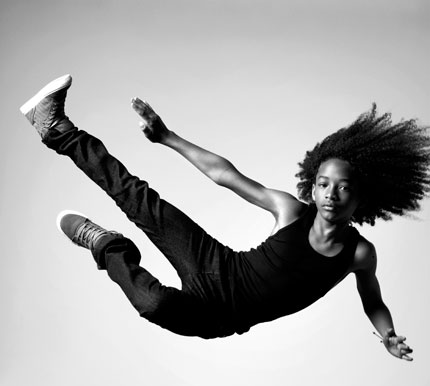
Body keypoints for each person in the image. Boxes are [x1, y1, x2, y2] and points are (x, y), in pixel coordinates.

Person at [20, 75, 429, 360]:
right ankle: (55, 128)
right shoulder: (291, 210)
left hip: (219, 317)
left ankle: (106, 244)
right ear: (314, 185)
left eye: (343, 188)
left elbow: (373, 300)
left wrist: (387, 335)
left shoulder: (359, 254)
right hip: (216, 264)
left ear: (361, 197)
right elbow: (225, 175)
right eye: (323, 183)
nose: (330, 194)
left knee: (154, 304)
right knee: (137, 198)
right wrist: (167, 137)